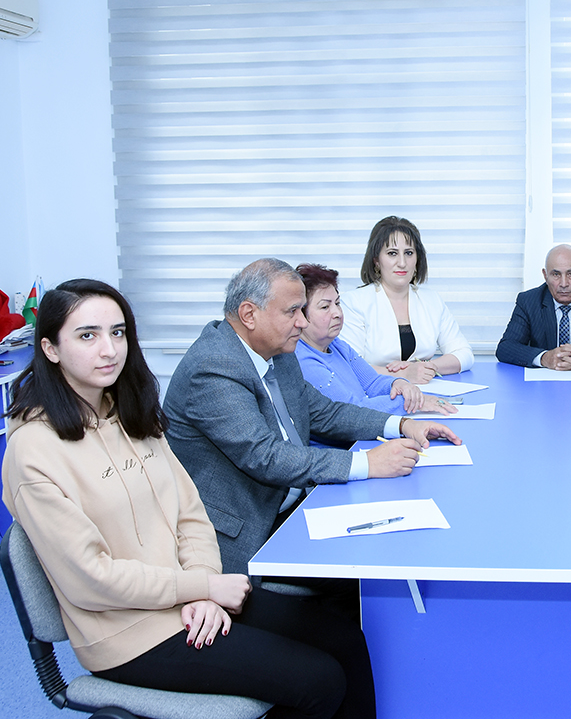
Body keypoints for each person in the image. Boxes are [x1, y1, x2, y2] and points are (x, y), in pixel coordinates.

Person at [2, 279, 376, 718]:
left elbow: (190, 513)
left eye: (118, 333)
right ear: (50, 349)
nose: (109, 350)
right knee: (318, 680)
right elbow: (90, 577)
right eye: (88, 335)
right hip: (129, 632)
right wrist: (200, 587)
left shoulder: (130, 415)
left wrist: (202, 585)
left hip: (193, 596)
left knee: (346, 641)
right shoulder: (33, 451)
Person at [163, 258, 460, 577]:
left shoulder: (276, 351)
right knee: (364, 579)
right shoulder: (213, 369)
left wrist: (402, 425)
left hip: (294, 504)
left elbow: (325, 412)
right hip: (249, 533)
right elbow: (266, 457)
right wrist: (368, 464)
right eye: (292, 311)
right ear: (249, 314)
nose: (302, 323)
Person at [295, 262, 457, 416]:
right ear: (300, 314)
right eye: (325, 307)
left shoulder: (338, 346)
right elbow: (352, 410)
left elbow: (372, 383)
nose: (337, 313)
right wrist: (413, 402)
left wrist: (399, 384)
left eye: (337, 303)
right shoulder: (303, 360)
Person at [338, 216, 474, 384]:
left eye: (409, 253)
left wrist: (427, 367)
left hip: (426, 393)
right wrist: (402, 375)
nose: (402, 263)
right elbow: (349, 365)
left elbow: (464, 354)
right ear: (376, 261)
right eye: (392, 253)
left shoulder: (431, 300)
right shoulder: (353, 303)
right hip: (374, 394)